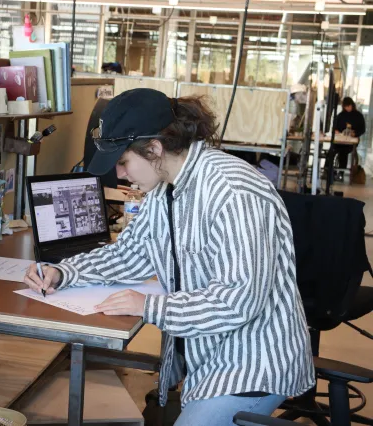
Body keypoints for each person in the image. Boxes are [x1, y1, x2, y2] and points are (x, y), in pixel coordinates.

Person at [23, 89, 315, 425]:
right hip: (209, 355)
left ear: (155, 148)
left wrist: (148, 307)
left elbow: (238, 301)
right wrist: (63, 272)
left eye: (123, 161)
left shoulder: (232, 192)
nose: (119, 175)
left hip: (253, 362)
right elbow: (129, 255)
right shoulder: (165, 190)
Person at [334, 97, 366, 179]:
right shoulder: (340, 116)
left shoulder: (358, 116)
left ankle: (341, 173)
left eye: (349, 106)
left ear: (352, 105)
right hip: (339, 141)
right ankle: (328, 172)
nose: (347, 108)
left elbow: (362, 129)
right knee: (331, 151)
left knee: (343, 152)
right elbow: (335, 128)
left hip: (351, 143)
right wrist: (336, 131)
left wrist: (355, 133)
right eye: (345, 107)